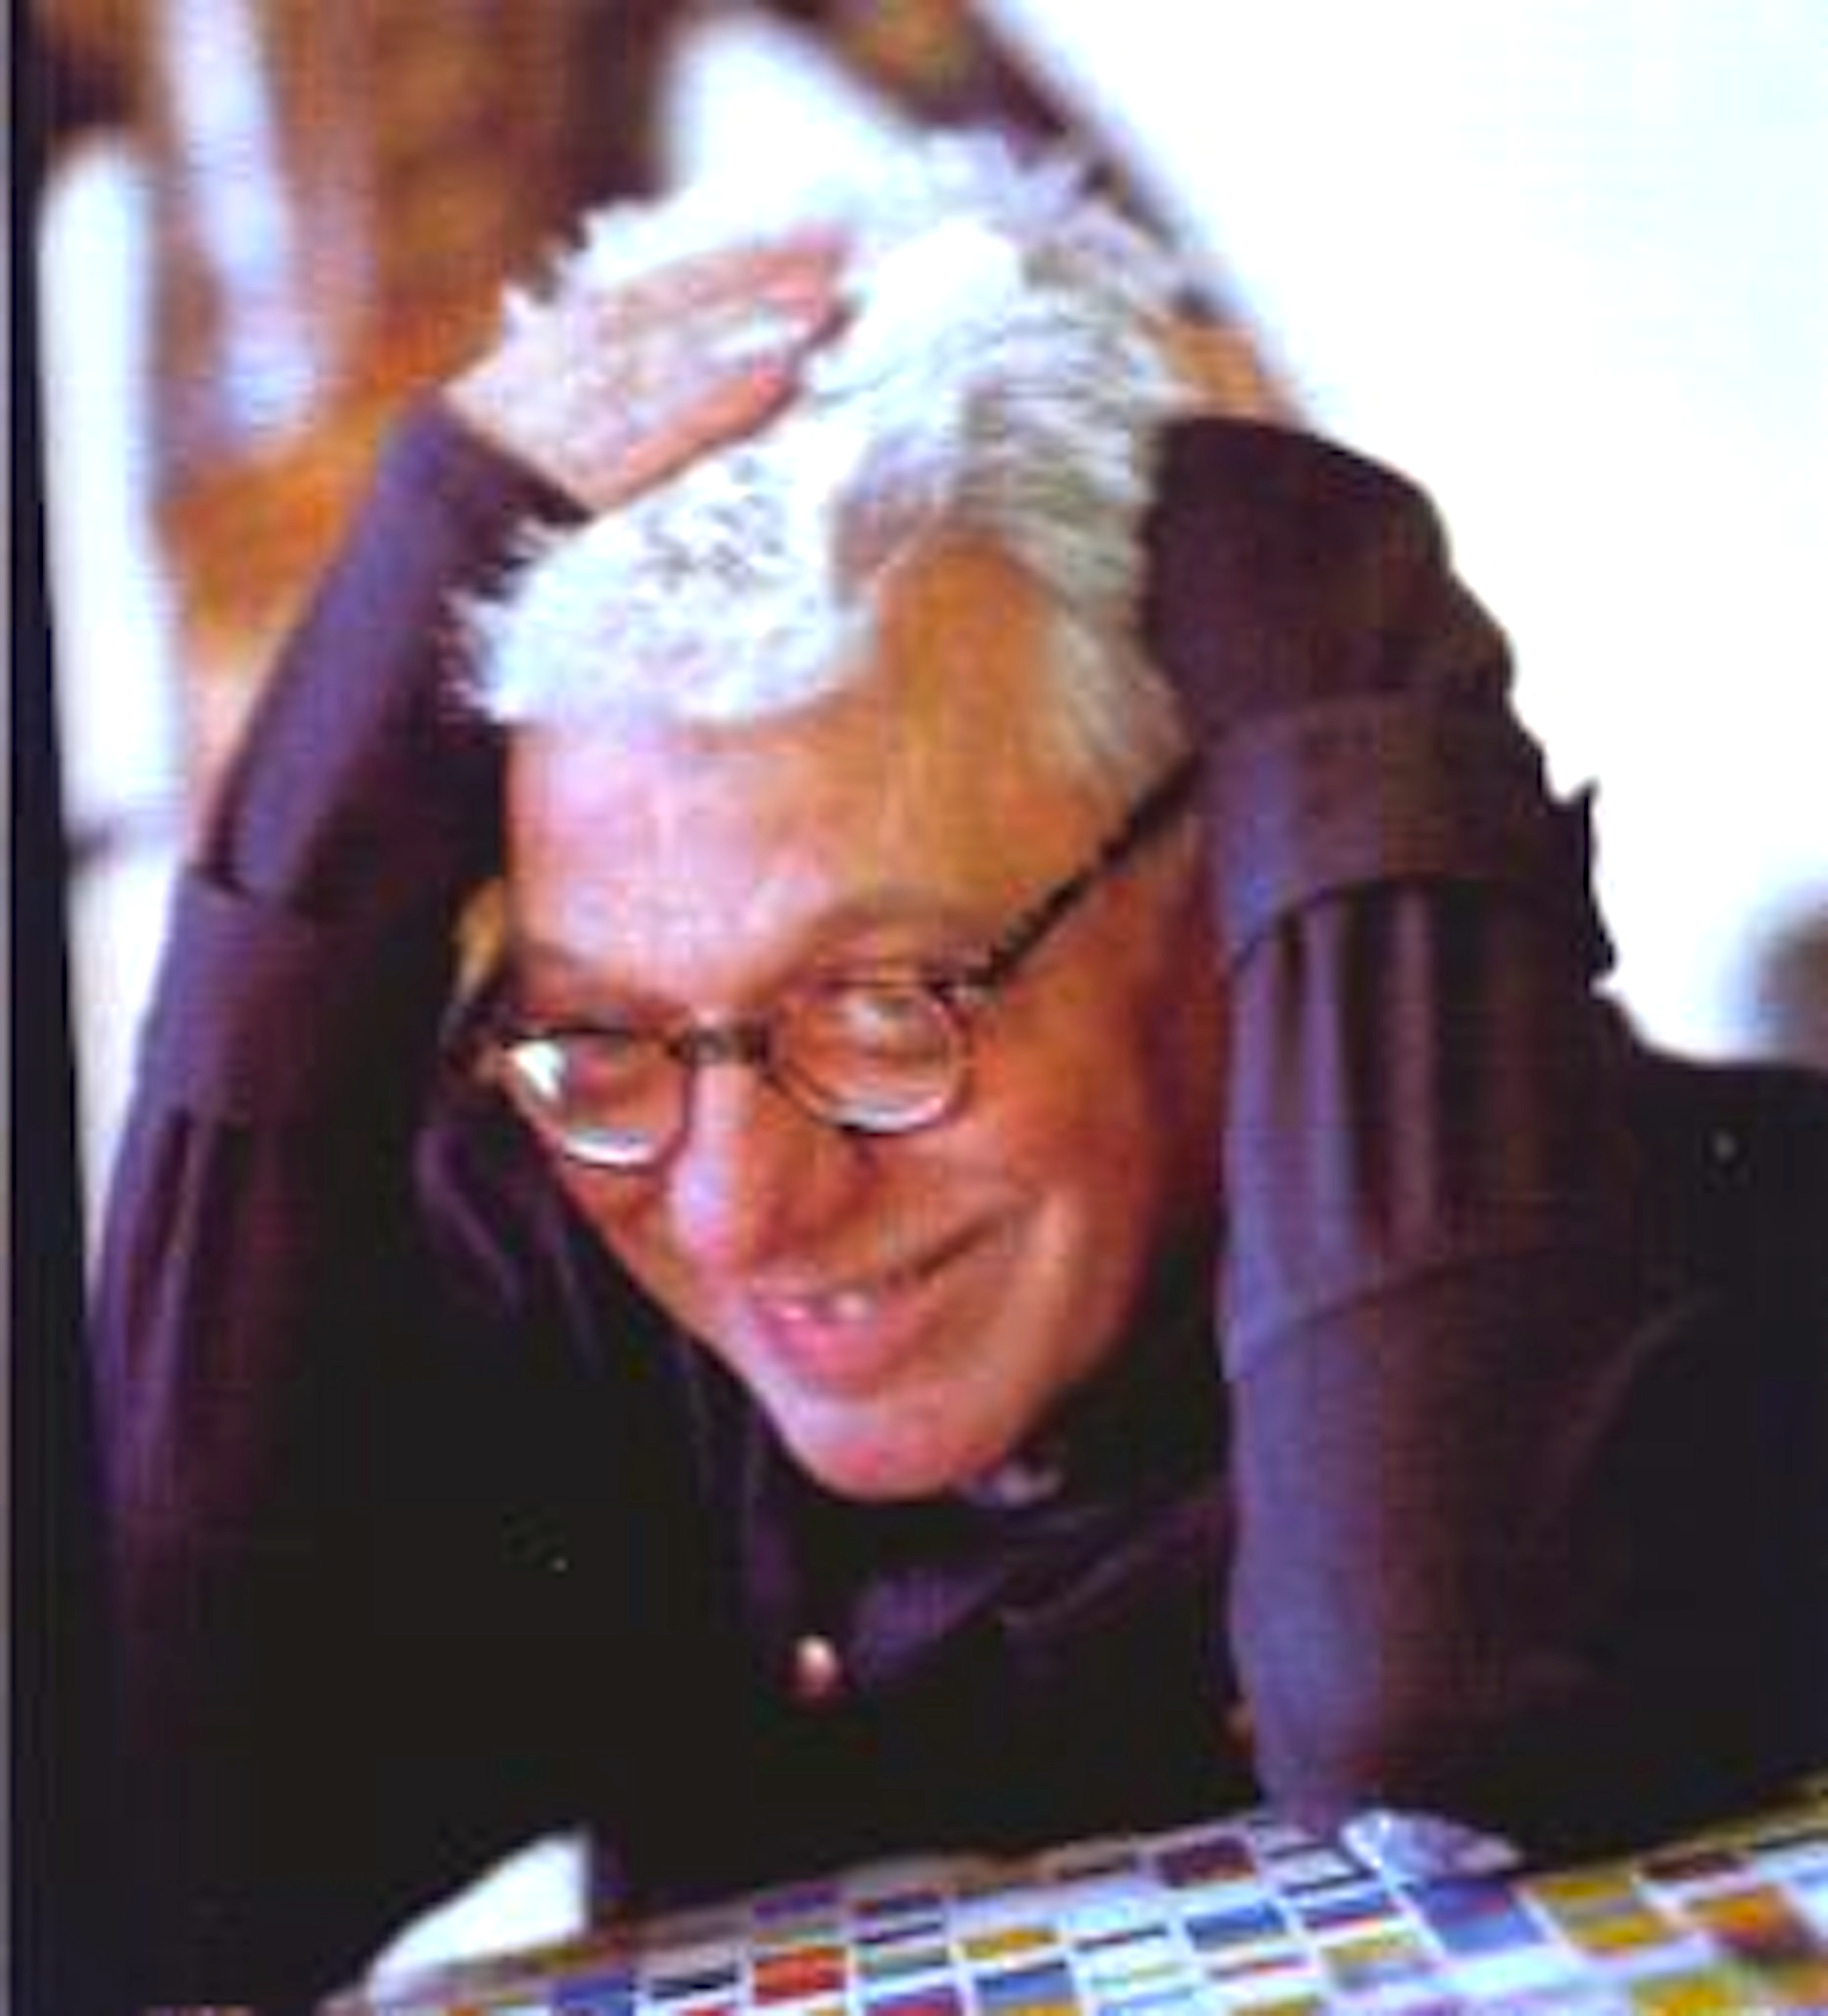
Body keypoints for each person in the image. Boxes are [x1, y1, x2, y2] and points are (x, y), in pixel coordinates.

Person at [93, 137, 1828, 2008]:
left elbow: (1438, 1717)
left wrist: (1336, 626)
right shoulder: (581, 1269)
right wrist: (345, 744)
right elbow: (126, 1869)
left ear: (1226, 865)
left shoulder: (1751, 1272)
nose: (734, 1209)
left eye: (884, 1002)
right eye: (599, 1026)